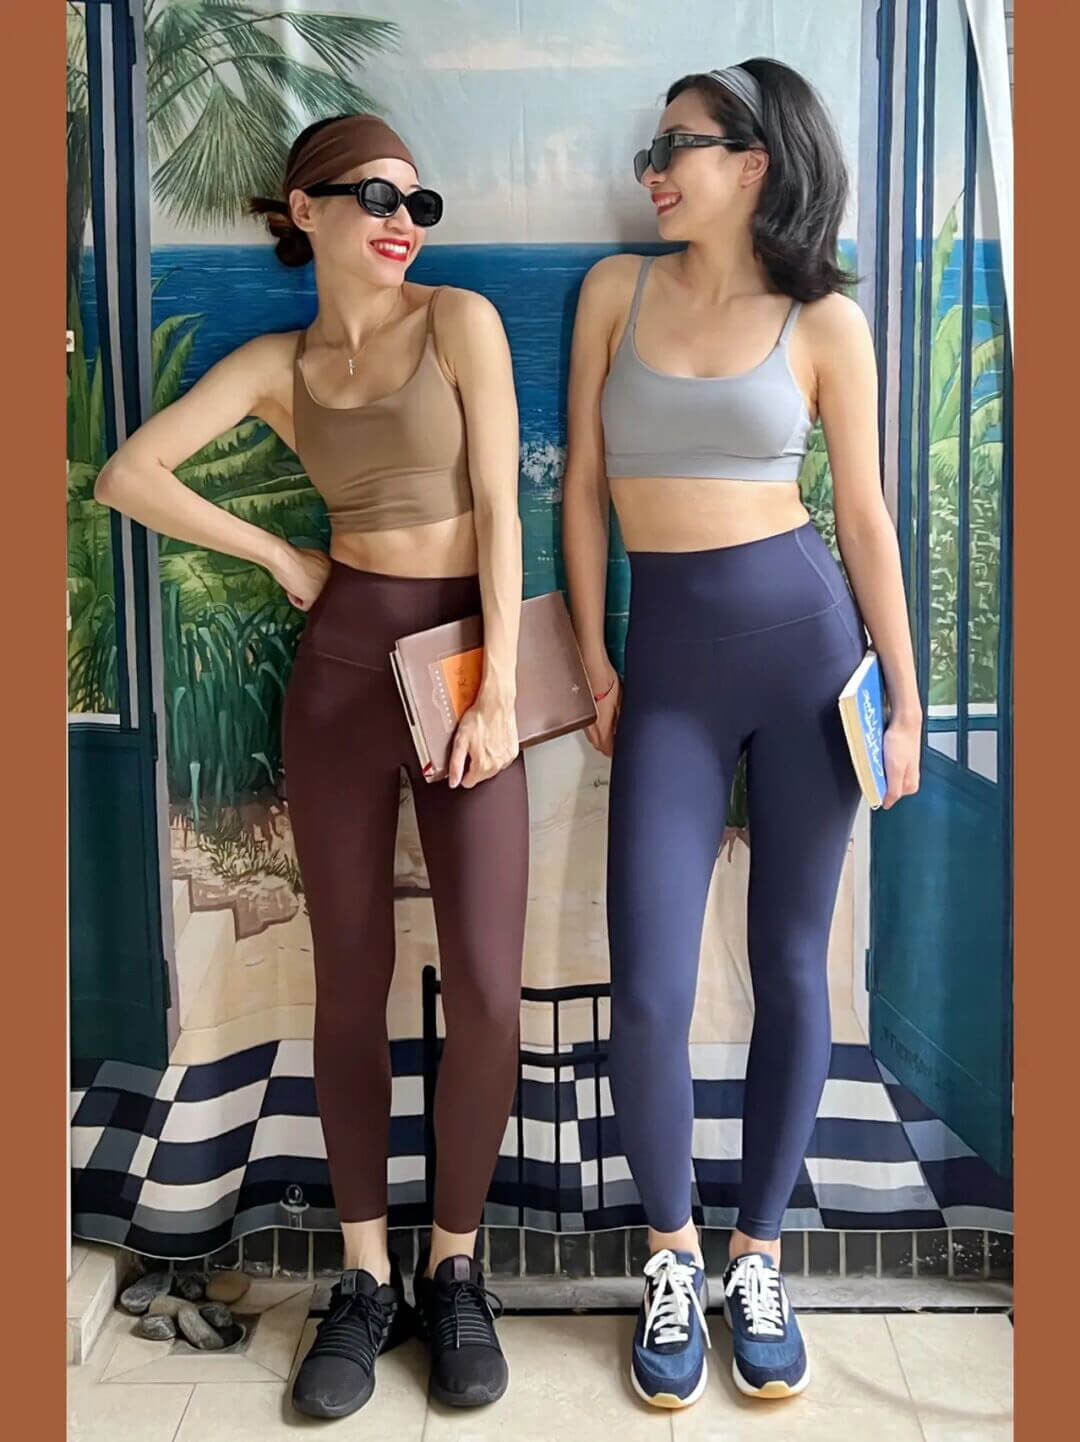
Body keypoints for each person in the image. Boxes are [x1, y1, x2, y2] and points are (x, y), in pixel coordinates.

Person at [95, 114, 529, 1419]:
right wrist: (282, 555)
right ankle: (366, 1277)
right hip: (339, 672)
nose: (404, 220)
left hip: (464, 661)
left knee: (489, 985)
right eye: (376, 196)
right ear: (305, 209)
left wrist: (502, 684)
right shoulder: (276, 366)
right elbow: (128, 474)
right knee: (349, 978)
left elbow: (502, 507)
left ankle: (455, 1270)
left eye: (418, 200)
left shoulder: (460, 322)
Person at [562, 60, 921, 1407]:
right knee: (650, 984)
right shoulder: (615, 291)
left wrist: (905, 696)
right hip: (665, 673)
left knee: (790, 965)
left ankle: (758, 1255)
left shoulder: (827, 319)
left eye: (680, 145)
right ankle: (671, 1256)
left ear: (755, 160)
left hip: (809, 657)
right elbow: (583, 489)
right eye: (652, 149)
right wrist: (594, 655)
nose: (655, 169)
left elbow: (865, 516)